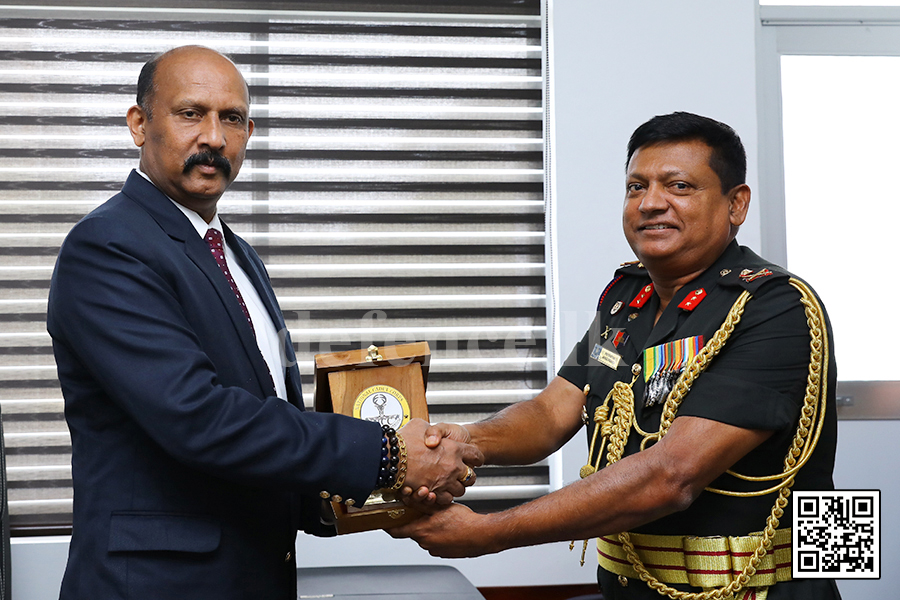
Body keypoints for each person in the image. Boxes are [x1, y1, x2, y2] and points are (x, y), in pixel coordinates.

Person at [47, 45, 482, 600]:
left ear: (248, 133)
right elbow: (199, 418)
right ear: (139, 124)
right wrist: (390, 455)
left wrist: (364, 501)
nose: (213, 136)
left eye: (231, 119)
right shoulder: (108, 247)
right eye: (190, 113)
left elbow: (268, 418)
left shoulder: (236, 254)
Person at [391, 112, 841, 600]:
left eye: (680, 186)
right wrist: (461, 441)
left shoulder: (777, 307)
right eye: (635, 187)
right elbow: (550, 412)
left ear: (736, 204)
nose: (650, 203)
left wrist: (489, 532)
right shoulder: (628, 300)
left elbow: (673, 477)